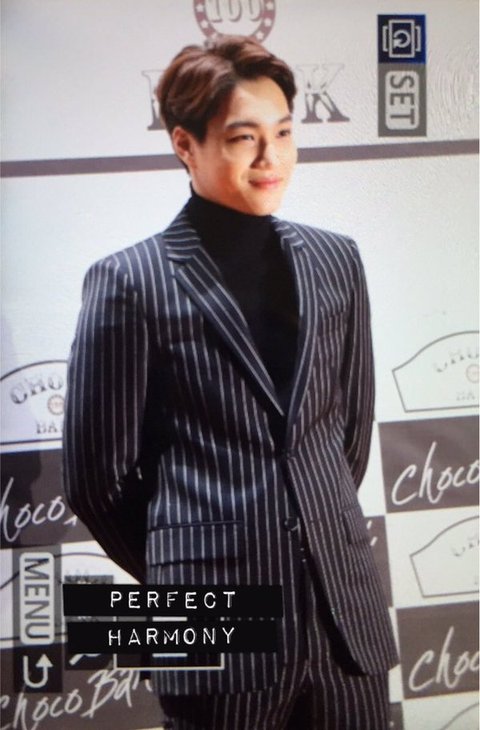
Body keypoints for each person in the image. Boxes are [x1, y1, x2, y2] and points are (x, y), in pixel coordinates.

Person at [63, 35, 398, 730]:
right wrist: (189, 573)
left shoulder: (337, 260)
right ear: (185, 145)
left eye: (283, 133)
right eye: (245, 138)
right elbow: (95, 481)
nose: (271, 157)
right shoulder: (129, 280)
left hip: (344, 619)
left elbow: (348, 436)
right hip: (211, 630)